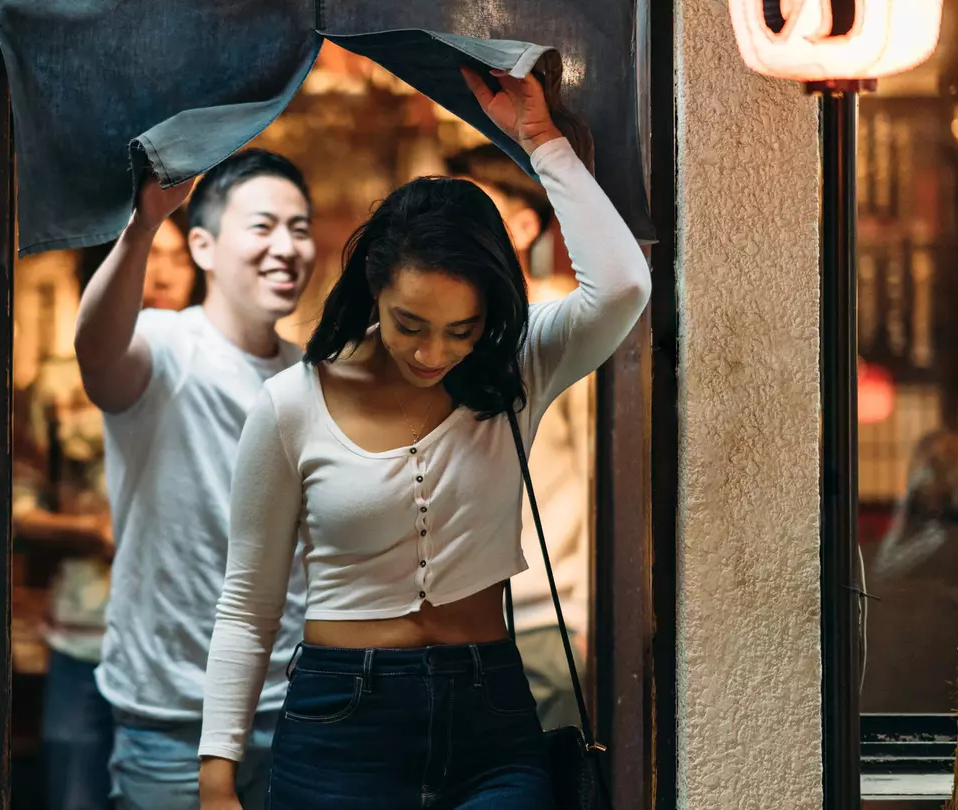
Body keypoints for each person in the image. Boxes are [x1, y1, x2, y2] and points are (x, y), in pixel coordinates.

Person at [198, 67, 650, 809]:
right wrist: (217, 776)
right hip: (340, 724)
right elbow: (248, 603)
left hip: (490, 714)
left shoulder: (519, 369)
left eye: (461, 330)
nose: (432, 353)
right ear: (373, 289)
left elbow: (625, 286)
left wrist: (543, 143)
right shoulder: (290, 407)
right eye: (410, 324)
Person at [74, 149, 317, 809]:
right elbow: (96, 352)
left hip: (295, 707)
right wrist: (142, 228)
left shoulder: (312, 376)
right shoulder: (167, 346)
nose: (286, 247)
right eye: (263, 226)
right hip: (172, 715)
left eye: (299, 228)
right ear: (203, 246)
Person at [15, 244, 199, 810]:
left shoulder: (216, 375)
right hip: (84, 635)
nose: (163, 272)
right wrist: (92, 531)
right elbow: (14, 505)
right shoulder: (58, 384)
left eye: (179, 256)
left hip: (185, 642)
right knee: (75, 795)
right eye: (149, 253)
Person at [446, 142, 594, 731]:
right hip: (450, 622)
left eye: (476, 211)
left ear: (525, 225)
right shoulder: (445, 332)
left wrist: (590, 611)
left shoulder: (558, 321)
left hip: (544, 616)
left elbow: (599, 468)